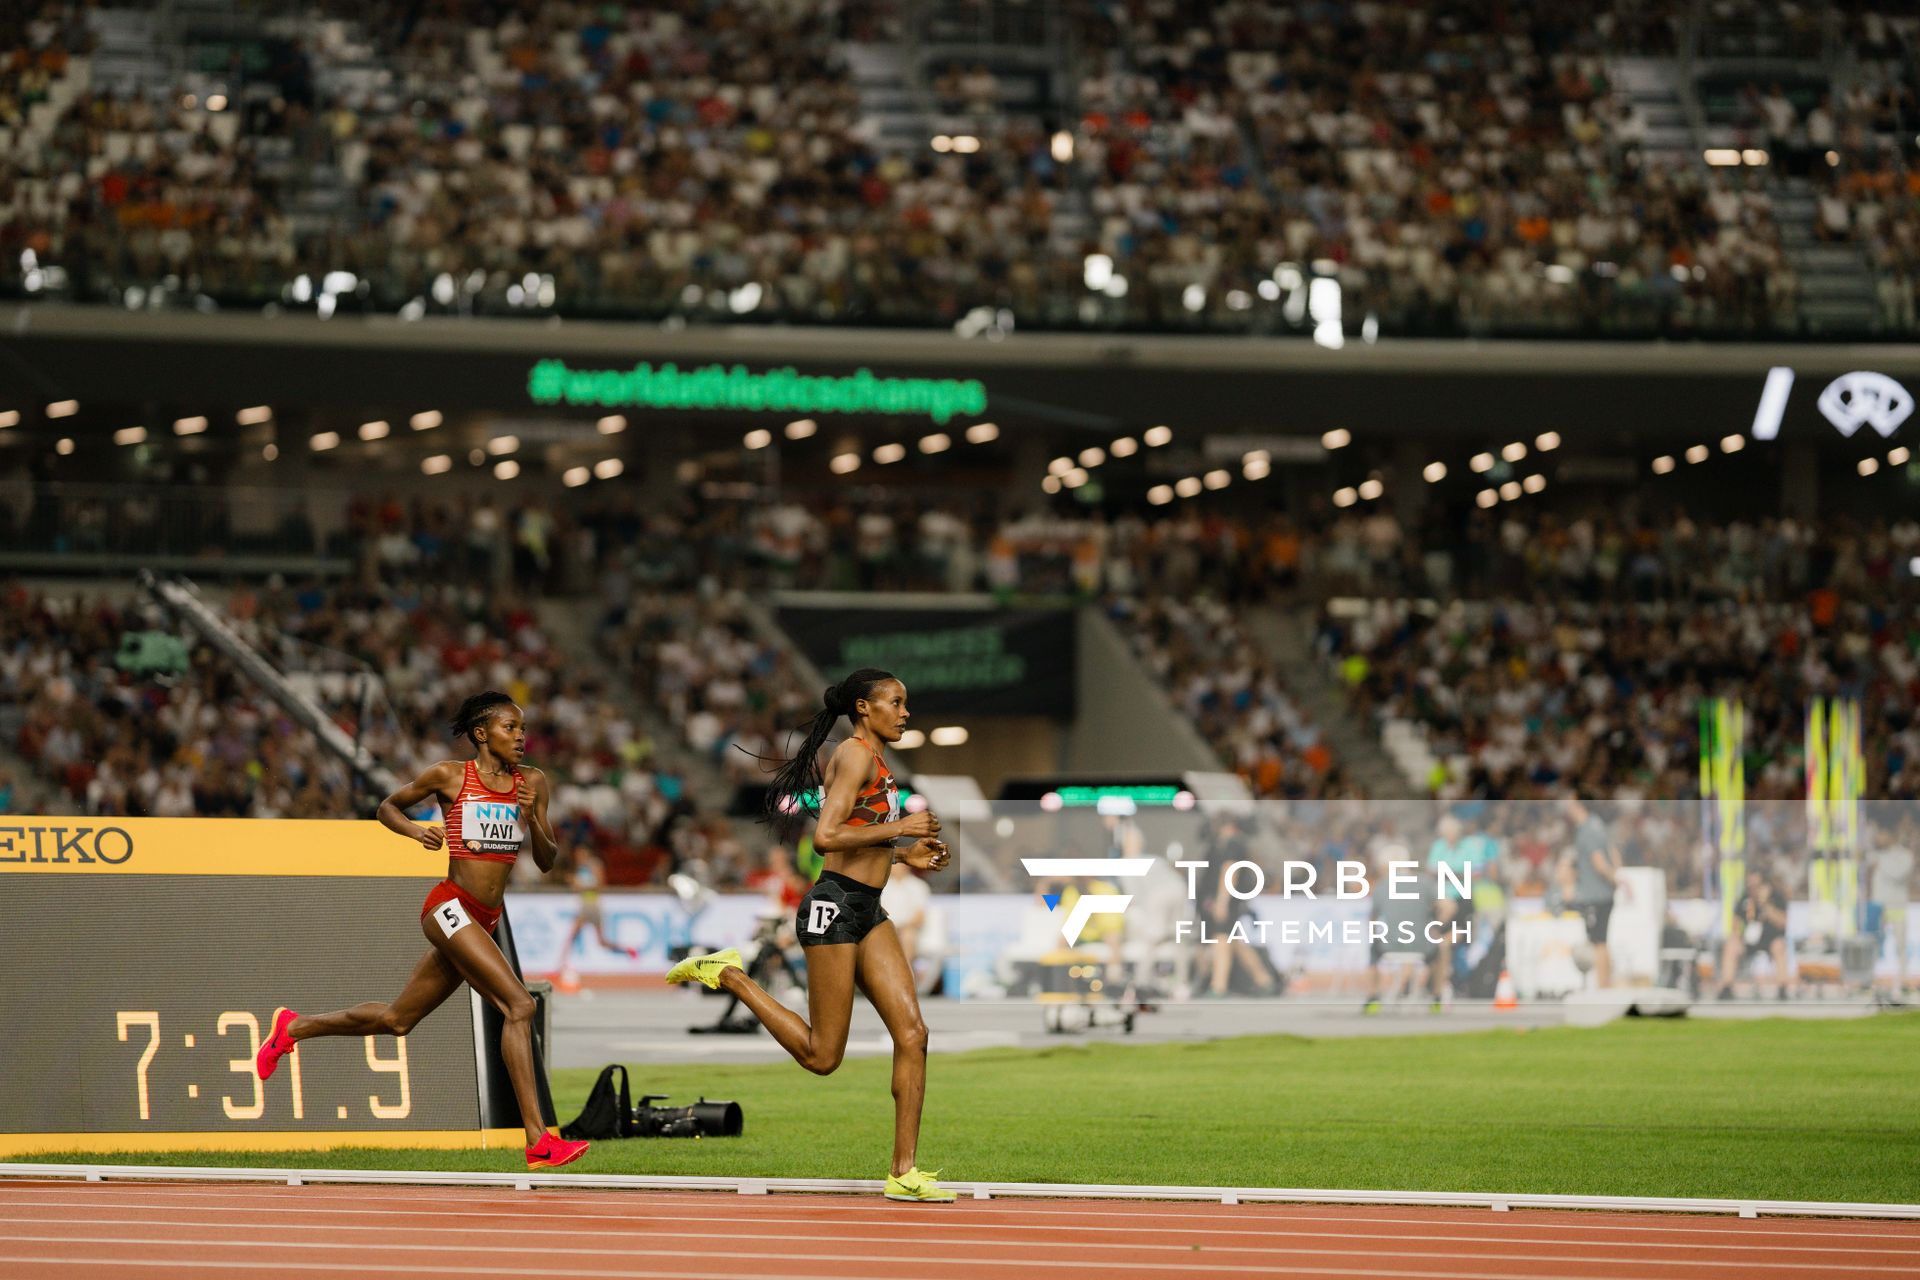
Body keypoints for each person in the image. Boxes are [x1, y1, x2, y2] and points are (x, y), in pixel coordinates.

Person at [253, 691, 588, 1170]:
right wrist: (415, 831)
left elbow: (548, 860)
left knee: (397, 1020)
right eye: (510, 728)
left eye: (522, 729)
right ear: (481, 733)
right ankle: (538, 1140)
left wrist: (533, 816)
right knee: (520, 1004)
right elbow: (387, 807)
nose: (521, 737)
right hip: (449, 906)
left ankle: (294, 1028)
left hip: (485, 919)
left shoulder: (532, 782)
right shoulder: (450, 776)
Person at [664, 668, 953, 1202]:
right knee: (823, 1057)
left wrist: (903, 853)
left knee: (913, 1035)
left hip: (869, 908)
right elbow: (824, 836)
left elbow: (856, 837)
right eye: (896, 701)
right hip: (834, 907)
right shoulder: (854, 754)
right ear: (865, 707)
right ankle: (728, 974)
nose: (906, 711)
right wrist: (902, 828)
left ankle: (904, 1171)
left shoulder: (876, 758)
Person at [1565, 797, 1622, 989]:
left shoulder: (1587, 829)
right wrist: (1616, 875)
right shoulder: (1598, 825)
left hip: (1594, 895)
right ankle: (1607, 985)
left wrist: (1612, 878)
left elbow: (1598, 861)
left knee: (1597, 942)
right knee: (1603, 941)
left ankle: (1603, 987)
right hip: (1604, 894)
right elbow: (1613, 852)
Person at [1717, 866, 1791, 1000]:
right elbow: (1735, 924)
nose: (1752, 889)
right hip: (1748, 940)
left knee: (1779, 946)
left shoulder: (1776, 898)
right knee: (1731, 945)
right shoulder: (1744, 899)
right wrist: (1738, 935)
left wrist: (1765, 905)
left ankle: (1782, 988)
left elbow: (1783, 922)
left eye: (1756, 885)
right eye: (1750, 885)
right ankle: (1726, 987)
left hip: (1770, 939)